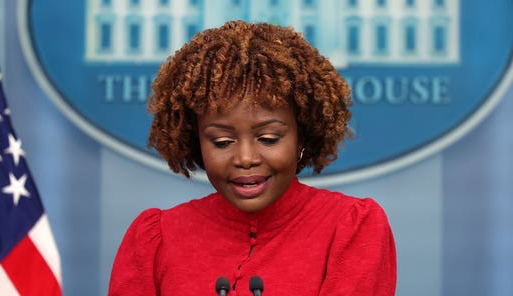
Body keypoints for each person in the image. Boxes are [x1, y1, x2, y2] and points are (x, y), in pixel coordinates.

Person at [108, 20, 396, 295]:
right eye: (222, 142)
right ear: (196, 142)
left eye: (268, 138)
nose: (245, 158)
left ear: (302, 136)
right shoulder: (154, 240)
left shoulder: (352, 229)